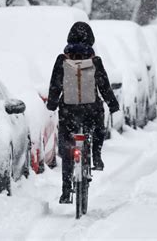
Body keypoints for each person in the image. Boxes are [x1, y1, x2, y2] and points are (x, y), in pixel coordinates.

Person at [46, 21, 120, 204]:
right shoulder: (95, 61)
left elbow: (55, 84)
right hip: (91, 110)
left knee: (68, 145)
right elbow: (104, 85)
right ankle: (96, 156)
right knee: (97, 129)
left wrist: (52, 104)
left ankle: (65, 191)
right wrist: (113, 105)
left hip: (68, 110)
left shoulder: (62, 60)